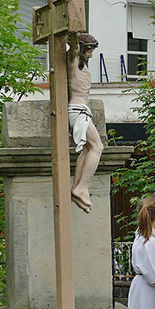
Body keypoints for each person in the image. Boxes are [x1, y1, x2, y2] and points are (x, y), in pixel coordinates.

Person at [68, 33, 102, 214]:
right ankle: (82, 186)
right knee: (98, 146)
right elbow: (72, 42)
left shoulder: (82, 66)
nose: (91, 54)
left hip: (82, 110)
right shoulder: (73, 60)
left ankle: (77, 188)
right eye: (89, 50)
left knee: (88, 148)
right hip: (77, 110)